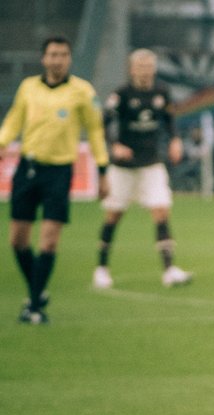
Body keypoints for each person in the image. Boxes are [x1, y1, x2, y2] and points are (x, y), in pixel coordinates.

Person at [0, 36, 109, 324]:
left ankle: (35, 307)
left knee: (48, 242)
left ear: (69, 59)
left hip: (59, 172)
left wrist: (102, 169)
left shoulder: (82, 91)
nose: (57, 60)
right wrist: (2, 142)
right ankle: (37, 291)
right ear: (43, 59)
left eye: (62, 55)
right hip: (27, 168)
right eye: (52, 54)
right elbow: (14, 119)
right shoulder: (28, 87)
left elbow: (95, 131)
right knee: (18, 240)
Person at [93, 48, 192, 290]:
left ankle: (169, 270)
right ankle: (102, 269)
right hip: (124, 168)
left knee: (161, 212)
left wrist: (175, 140)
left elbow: (169, 120)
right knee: (113, 216)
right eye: (140, 67)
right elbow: (101, 124)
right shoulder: (121, 95)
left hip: (151, 164)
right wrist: (114, 145)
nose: (145, 71)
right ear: (132, 69)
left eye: (149, 67)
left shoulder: (161, 92)